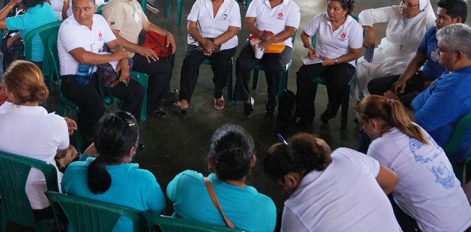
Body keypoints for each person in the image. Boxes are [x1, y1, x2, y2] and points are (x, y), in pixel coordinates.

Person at [357, 95, 471, 232]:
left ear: (374, 124)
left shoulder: (379, 147)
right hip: (465, 219)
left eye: (363, 125)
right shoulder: (414, 128)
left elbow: (369, 190)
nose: (363, 129)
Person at [263, 133, 401, 232]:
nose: (284, 189)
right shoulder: (346, 156)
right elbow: (391, 180)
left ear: (290, 179)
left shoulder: (294, 212)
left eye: (281, 185)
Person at [0, 60, 77, 212]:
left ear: (10, 93)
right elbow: (61, 154)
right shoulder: (56, 123)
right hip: (45, 202)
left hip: (9, 196)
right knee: (72, 153)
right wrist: (59, 128)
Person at [57, 0, 144, 143]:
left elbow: (115, 45)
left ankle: (125, 136)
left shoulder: (99, 20)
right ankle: (91, 145)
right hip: (74, 79)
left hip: (99, 72)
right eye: (76, 9)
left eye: (86, 9)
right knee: (95, 106)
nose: (81, 14)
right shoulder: (67, 27)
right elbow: (83, 57)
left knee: (136, 90)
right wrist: (115, 57)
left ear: (95, 7)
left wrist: (123, 62)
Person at [62, 111, 163, 231]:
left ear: (96, 145)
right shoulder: (145, 181)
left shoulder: (73, 171)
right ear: (131, 151)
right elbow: (156, 213)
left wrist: (84, 157)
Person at [167, 124, 275, 231]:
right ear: (252, 161)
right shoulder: (266, 209)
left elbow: (168, 194)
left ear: (210, 161)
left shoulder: (185, 182)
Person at [102, 0, 175, 119]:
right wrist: (140, 50)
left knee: (170, 51)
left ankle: (161, 90)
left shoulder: (132, 1)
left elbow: (146, 25)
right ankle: (152, 106)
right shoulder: (115, 7)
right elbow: (113, 37)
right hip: (126, 54)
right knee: (163, 68)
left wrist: (167, 34)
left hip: (139, 45)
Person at [368, 0, 467, 106]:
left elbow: (458, 77)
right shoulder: (433, 32)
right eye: (437, 16)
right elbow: (418, 59)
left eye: (442, 17)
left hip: (438, 87)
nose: (436, 20)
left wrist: (435, 84)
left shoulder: (464, 46)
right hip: (422, 78)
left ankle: (391, 116)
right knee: (375, 85)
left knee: (399, 103)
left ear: (457, 20)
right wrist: (403, 79)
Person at [234, 0, 299, 116]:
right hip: (256, 41)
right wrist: (262, 35)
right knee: (242, 64)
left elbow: (290, 31)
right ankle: (246, 98)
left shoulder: (292, 7)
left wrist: (271, 40)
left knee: (274, 66)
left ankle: (271, 98)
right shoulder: (258, 1)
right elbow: (249, 23)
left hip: (281, 44)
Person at [295, 0, 363, 125]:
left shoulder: (354, 27)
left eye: (336, 9)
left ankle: (331, 110)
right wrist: (311, 48)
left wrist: (334, 61)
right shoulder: (320, 18)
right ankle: (307, 112)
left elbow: (355, 53)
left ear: (345, 11)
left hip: (344, 61)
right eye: (329, 7)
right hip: (321, 57)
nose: (330, 11)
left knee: (337, 81)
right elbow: (305, 35)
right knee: (303, 75)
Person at [353, 0, 436, 99]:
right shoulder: (395, 10)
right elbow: (366, 14)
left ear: (420, 8)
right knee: (360, 66)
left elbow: (439, 34)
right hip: (387, 51)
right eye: (403, 2)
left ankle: (377, 107)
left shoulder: (428, 20)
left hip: (408, 58)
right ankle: (364, 102)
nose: (404, 6)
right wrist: (369, 29)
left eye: (410, 5)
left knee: (386, 77)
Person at [175, 0, 240, 113]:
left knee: (222, 64)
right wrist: (204, 42)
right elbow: (191, 26)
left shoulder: (232, 5)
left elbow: (233, 30)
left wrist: (213, 43)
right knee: (190, 62)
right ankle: (185, 99)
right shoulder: (200, 2)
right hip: (200, 39)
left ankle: (218, 93)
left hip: (224, 42)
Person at [412, 23, 471, 150]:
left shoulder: (454, 88)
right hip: (428, 117)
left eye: (441, 50)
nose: (437, 52)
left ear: (459, 55)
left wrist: (391, 105)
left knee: (375, 123)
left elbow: (419, 124)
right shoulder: (460, 69)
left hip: (430, 140)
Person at [0, 0, 59, 66]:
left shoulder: (25, 19)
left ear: (20, 2)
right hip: (53, 58)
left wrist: (12, 3)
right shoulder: (45, 6)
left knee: (5, 46)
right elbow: (38, 27)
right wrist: (17, 36)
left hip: (34, 62)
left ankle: (10, 76)